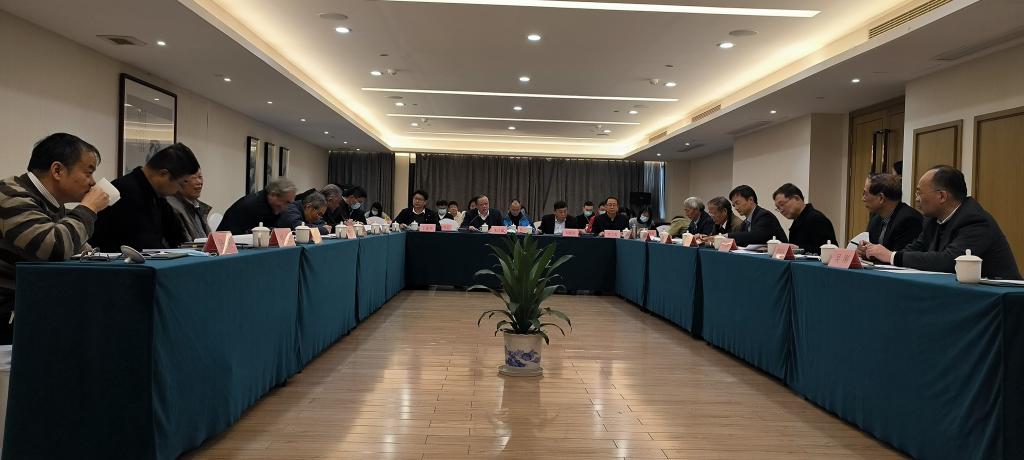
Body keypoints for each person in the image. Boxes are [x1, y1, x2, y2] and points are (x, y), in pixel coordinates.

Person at [0, 133, 110, 343]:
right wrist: (88, 208)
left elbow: (80, 251)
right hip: (7, 313)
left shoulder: (50, 204)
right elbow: (53, 247)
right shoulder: (10, 195)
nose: (93, 183)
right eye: (88, 173)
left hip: (29, 304)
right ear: (57, 170)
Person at [865, 165, 1020, 279]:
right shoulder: (932, 219)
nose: (916, 199)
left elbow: (950, 261)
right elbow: (916, 248)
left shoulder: (975, 221)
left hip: (999, 300)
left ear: (942, 196)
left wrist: (892, 256)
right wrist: (877, 255)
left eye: (919, 193)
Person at [91, 143, 199, 250]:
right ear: (163, 174)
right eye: (180, 184)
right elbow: (145, 246)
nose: (179, 190)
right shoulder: (126, 193)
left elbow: (177, 236)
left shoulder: (157, 195)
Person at [856, 174, 922, 257]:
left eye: (865, 194)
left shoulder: (909, 220)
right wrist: (866, 251)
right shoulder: (875, 221)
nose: (863, 199)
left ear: (881, 198)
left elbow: (900, 258)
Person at [772, 183, 836, 254]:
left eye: (782, 204)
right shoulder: (797, 220)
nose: (781, 210)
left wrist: (798, 248)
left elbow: (829, 250)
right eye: (778, 208)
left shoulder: (816, 219)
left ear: (796, 198)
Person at [218, 178, 297, 234]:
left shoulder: (273, 208)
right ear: (273, 195)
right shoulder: (249, 206)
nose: (287, 207)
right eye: (286, 202)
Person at [167, 169, 211, 242]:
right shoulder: (173, 207)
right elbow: (184, 244)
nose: (199, 182)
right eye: (193, 177)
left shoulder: (198, 206)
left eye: (200, 177)